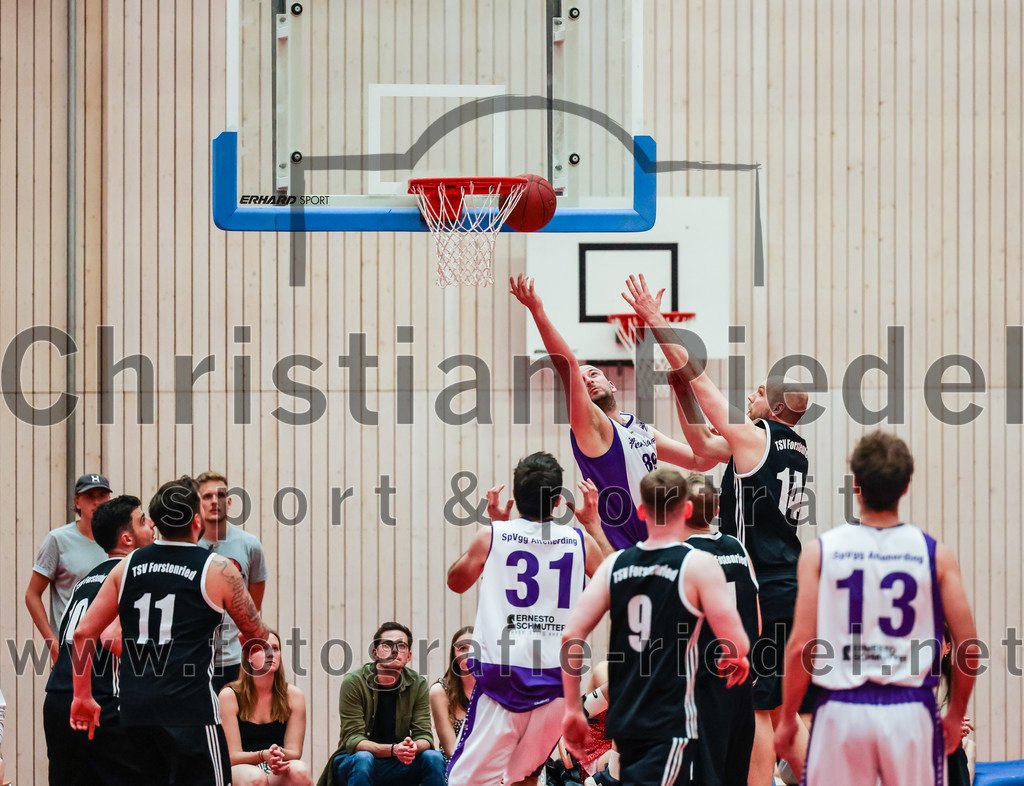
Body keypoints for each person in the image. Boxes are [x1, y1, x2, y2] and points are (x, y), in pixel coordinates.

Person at [622, 274, 812, 783]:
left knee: (757, 709)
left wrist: (657, 322)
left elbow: (707, 397)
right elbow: (703, 447)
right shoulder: (781, 446)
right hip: (775, 583)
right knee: (761, 703)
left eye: (756, 394)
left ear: (772, 409)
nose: (748, 396)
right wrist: (677, 386)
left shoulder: (758, 440)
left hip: (764, 586)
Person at [775, 432, 980, 786]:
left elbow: (800, 647)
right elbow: (969, 647)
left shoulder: (821, 551)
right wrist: (955, 713)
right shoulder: (936, 555)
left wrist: (789, 717)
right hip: (911, 711)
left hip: (843, 710)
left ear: (856, 485)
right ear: (905, 487)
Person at [69, 475, 270, 786]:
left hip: (136, 710)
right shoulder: (217, 569)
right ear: (196, 521)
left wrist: (82, 696)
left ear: (156, 522)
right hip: (191, 710)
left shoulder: (127, 565)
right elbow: (257, 634)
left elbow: (83, 634)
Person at [561, 467, 751, 786]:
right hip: (671, 723)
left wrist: (572, 709)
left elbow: (571, 635)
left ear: (640, 511)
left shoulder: (614, 565)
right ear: (687, 510)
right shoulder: (698, 565)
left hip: (624, 722)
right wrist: (738, 656)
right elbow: (737, 641)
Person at [511, 274, 714, 556]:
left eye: (593, 373)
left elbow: (700, 460)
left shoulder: (639, 428)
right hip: (620, 550)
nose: (588, 380)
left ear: (612, 384)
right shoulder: (590, 425)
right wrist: (537, 310)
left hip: (660, 544)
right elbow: (567, 365)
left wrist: (693, 408)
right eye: (581, 381)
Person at [446, 452, 603, 786]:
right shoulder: (580, 542)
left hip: (504, 675)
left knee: (464, 781)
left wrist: (494, 529)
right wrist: (592, 524)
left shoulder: (493, 536)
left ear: (515, 497)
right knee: (525, 776)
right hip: (557, 682)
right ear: (559, 501)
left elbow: (455, 581)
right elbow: (618, 584)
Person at [43, 495, 155, 785]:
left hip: (57, 700)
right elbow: (110, 639)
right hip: (99, 703)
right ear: (128, 538)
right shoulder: (133, 575)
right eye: (143, 520)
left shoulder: (86, 579)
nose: (152, 525)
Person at [681, 474, 759, 786]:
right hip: (741, 679)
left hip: (703, 683)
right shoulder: (738, 548)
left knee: (705, 772)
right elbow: (756, 617)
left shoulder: (682, 557)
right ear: (716, 509)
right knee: (735, 771)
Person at [317, 622, 445, 786]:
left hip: (399, 762)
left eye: (401, 645)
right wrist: (393, 749)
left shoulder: (417, 683)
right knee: (364, 758)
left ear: (409, 656)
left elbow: (425, 736)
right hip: (354, 762)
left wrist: (411, 747)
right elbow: (353, 740)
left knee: (433, 757)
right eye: (387, 645)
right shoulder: (354, 682)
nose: (394, 650)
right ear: (375, 653)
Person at [26, 473, 112, 664]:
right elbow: (32, 595)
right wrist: (53, 643)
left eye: (102, 495)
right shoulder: (58, 540)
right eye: (90, 496)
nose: (96, 501)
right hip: (72, 646)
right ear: (77, 502)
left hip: (109, 648)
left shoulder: (118, 541)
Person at [196, 470, 269, 692]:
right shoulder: (188, 546)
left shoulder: (249, 544)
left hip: (234, 656)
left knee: (235, 721)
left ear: (228, 502)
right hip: (197, 657)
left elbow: (253, 605)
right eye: (207, 497)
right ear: (197, 504)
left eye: (220, 496)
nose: (214, 501)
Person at [220, 628, 314, 786]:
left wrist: (277, 754)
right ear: (249, 657)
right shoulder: (229, 696)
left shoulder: (294, 695)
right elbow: (232, 756)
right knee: (255, 778)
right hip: (240, 769)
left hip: (276, 764)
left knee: (300, 772)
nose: (271, 653)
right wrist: (263, 755)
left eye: (275, 648)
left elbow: (295, 752)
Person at [428, 625, 475, 761]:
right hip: (457, 766)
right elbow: (451, 749)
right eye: (462, 649)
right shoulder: (440, 690)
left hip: (493, 766)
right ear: (454, 654)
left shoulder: (493, 688)